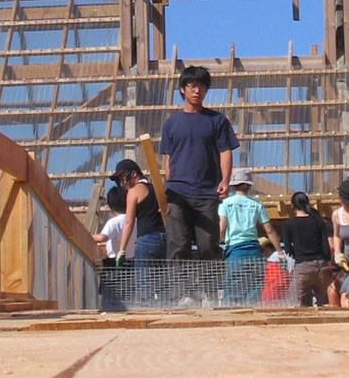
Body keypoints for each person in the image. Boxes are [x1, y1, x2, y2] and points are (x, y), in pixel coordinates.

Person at [160, 66, 239, 260]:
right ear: (182, 89)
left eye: (202, 87)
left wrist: (225, 180)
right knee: (177, 244)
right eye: (193, 86)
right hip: (177, 192)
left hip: (206, 193)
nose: (197, 91)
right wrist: (168, 183)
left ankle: (209, 289)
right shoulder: (171, 123)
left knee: (208, 245)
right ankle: (179, 289)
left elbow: (225, 151)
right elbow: (167, 158)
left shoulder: (217, 120)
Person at [218, 168, 284, 305]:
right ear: (248, 185)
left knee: (232, 292)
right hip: (254, 252)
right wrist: (280, 252)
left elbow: (221, 228)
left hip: (235, 252)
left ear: (232, 185)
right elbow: (270, 231)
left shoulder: (225, 204)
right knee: (254, 291)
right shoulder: (256, 205)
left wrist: (218, 244)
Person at [110, 159, 166, 303]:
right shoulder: (157, 189)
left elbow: (129, 222)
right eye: (120, 179)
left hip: (147, 240)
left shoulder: (134, 192)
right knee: (164, 283)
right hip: (165, 239)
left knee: (144, 284)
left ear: (134, 174)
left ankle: (148, 311)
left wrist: (121, 250)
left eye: (124, 177)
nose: (123, 182)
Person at [282, 191, 331, 306]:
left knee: (294, 303)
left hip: (302, 266)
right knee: (324, 304)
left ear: (293, 206)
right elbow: (325, 246)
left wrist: (298, 255)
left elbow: (288, 250)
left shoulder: (288, 224)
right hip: (321, 266)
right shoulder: (318, 221)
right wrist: (329, 264)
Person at [92, 185, 136, 310]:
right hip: (131, 264)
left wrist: (87, 235)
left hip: (113, 264)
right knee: (128, 298)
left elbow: (102, 238)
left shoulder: (114, 222)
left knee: (110, 301)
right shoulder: (135, 220)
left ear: (111, 206)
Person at [258, 235, 293, 304]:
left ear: (265, 249)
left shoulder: (274, 258)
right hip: (284, 293)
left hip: (273, 294)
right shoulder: (282, 255)